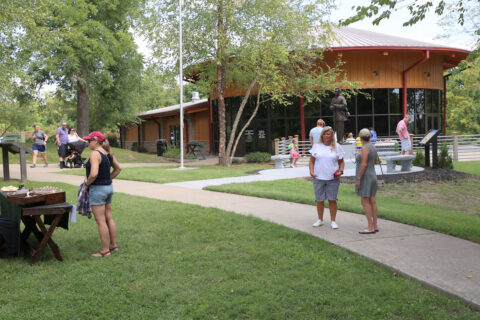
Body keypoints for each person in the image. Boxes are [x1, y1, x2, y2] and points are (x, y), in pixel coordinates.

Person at [83, 131, 122, 257]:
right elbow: (118, 169)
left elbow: (93, 174)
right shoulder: (108, 153)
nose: (88, 143)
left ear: (96, 141)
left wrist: (86, 185)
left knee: (101, 221)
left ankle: (105, 251)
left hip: (98, 189)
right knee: (109, 217)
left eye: (89, 140)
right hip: (108, 188)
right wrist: (108, 179)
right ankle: (113, 245)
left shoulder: (95, 153)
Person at [309, 126, 345, 229]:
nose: (326, 136)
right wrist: (311, 172)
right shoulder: (317, 146)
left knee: (332, 200)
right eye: (324, 134)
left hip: (333, 178)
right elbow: (311, 161)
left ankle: (333, 221)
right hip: (318, 177)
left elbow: (341, 162)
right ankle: (320, 220)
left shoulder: (337, 146)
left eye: (328, 134)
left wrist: (341, 171)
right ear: (322, 135)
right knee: (319, 200)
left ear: (332, 135)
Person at [355, 128, 379, 234]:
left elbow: (364, 164)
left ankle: (370, 227)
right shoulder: (373, 147)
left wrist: (359, 178)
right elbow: (376, 162)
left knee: (364, 200)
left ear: (360, 137)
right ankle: (375, 225)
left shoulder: (365, 148)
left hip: (365, 176)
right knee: (372, 200)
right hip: (373, 174)